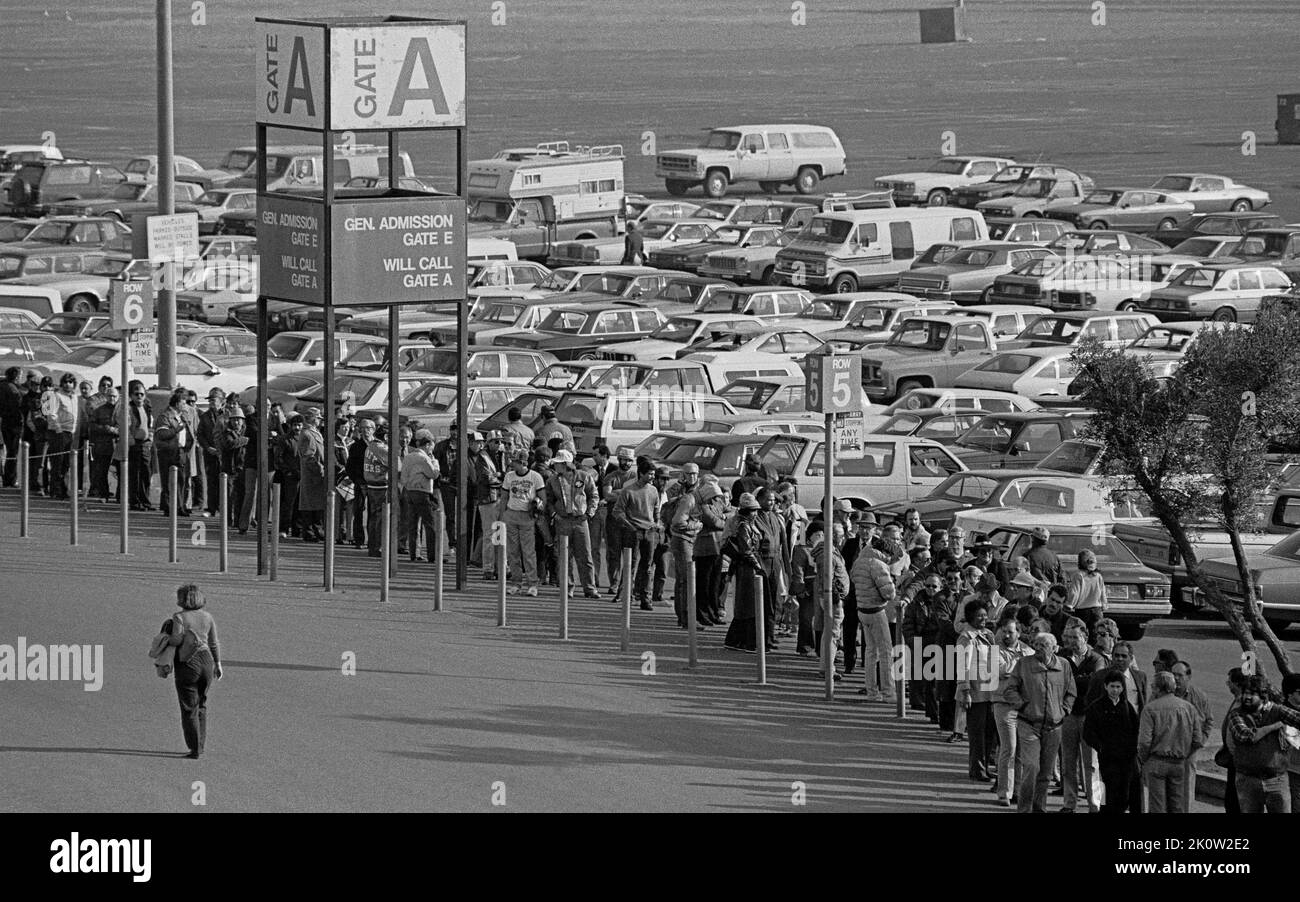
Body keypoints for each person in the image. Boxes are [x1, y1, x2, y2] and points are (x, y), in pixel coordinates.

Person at [1003, 631, 1075, 813]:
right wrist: (1022, 705)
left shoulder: (1064, 666)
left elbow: (1071, 692)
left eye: (1044, 645)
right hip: (1029, 725)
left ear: (1054, 648)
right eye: (1037, 644)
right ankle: (1024, 809)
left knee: (1046, 773)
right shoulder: (1024, 664)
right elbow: (1010, 689)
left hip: (1054, 727)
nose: (1039, 648)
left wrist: (1064, 710)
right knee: (1031, 767)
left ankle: (1039, 808)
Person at [164, 584, 222, 759]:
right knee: (201, 703)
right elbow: (214, 642)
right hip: (206, 661)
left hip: (187, 662)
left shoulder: (179, 617)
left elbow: (176, 640)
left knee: (189, 707)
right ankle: (201, 745)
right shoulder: (208, 617)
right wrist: (218, 663)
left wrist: (166, 635)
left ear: (182, 600)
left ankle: (194, 748)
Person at [1227, 674, 1300, 813]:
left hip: (1276, 780)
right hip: (1248, 780)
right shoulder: (1237, 714)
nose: (1246, 697)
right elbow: (1247, 736)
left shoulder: (1278, 711)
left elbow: (1296, 718)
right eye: (1245, 693)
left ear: (1263, 696)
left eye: (1252, 694)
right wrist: (1273, 726)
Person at [1137, 671, 1203, 813]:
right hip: (1179, 762)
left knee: (1157, 806)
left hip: (1156, 760)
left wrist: (1144, 759)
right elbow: (1198, 739)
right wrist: (1185, 753)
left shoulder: (1150, 709)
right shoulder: (1188, 708)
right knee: (1177, 805)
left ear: (1157, 688)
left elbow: (1144, 742)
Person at [1083, 668, 1142, 814]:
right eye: (1112, 686)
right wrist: (1100, 747)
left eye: (1118, 687)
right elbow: (1088, 732)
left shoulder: (1127, 707)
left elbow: (1135, 730)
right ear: (1105, 686)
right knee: (1109, 791)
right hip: (1107, 757)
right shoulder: (1096, 707)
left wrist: (1133, 749)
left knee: (1126, 792)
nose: (1115, 690)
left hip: (1126, 758)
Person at [990, 617, 1032, 806]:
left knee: (1023, 751)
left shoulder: (1028, 650)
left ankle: (1018, 791)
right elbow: (1001, 670)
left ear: (1019, 633)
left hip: (1024, 706)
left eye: (1011, 632)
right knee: (1009, 747)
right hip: (1003, 703)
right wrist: (1021, 666)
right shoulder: (994, 651)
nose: (1006, 635)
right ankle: (1004, 792)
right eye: (1004, 631)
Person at [546, 449, 600, 597]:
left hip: (580, 520)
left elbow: (593, 496)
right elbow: (549, 500)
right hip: (562, 520)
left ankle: (589, 588)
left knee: (585, 555)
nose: (555, 466)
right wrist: (554, 515)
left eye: (558, 463)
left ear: (566, 464)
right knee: (564, 556)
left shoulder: (583, 476)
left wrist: (589, 513)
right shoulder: (552, 480)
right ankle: (567, 587)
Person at [610, 457, 660, 610]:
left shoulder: (653, 490)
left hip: (650, 532)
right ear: (641, 473)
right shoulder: (629, 490)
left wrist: (656, 525)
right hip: (633, 532)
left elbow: (656, 510)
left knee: (648, 566)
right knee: (631, 565)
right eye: (650, 474)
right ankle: (626, 595)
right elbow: (617, 511)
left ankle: (645, 598)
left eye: (653, 474)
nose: (652, 477)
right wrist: (629, 526)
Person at [852, 532, 896, 702]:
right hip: (877, 611)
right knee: (886, 652)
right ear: (885, 552)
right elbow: (889, 593)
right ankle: (888, 692)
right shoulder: (879, 564)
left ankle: (872, 692)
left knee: (870, 652)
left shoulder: (859, 561)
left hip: (862, 609)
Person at [956, 600, 997, 782]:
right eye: (980, 615)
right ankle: (977, 769)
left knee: (989, 734)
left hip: (990, 691)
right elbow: (962, 666)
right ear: (970, 616)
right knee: (977, 735)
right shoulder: (966, 638)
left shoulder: (988, 635)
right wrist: (965, 691)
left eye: (985, 615)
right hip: (975, 692)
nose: (983, 618)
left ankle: (985, 766)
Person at [723, 493, 768, 652]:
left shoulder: (750, 524)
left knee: (748, 605)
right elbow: (746, 550)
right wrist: (758, 567)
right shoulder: (744, 526)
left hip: (748, 566)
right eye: (752, 510)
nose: (755, 513)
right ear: (745, 511)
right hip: (746, 568)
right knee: (748, 605)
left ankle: (739, 640)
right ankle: (744, 641)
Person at [665, 463, 706, 627]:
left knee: (684, 579)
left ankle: (685, 616)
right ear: (683, 475)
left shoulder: (700, 491)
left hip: (690, 539)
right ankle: (685, 617)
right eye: (689, 474)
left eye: (695, 474)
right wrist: (696, 526)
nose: (692, 477)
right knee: (686, 579)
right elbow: (677, 522)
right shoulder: (679, 490)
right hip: (682, 538)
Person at [1169, 659, 1212, 811]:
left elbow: (1208, 721)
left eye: (1179, 675)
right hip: (1167, 750)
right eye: (1173, 675)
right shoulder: (1164, 694)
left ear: (1188, 676)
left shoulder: (1199, 697)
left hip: (1189, 751)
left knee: (1187, 787)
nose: (1176, 679)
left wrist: (1201, 741)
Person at [502, 450, 545, 596]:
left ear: (522, 462)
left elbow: (542, 497)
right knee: (513, 552)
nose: (512, 463)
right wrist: (502, 516)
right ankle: (516, 582)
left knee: (528, 552)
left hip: (527, 517)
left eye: (514, 461)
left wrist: (537, 506)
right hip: (511, 514)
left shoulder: (535, 477)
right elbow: (504, 497)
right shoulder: (509, 476)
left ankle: (532, 583)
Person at [401, 429, 441, 562]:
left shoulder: (408, 457)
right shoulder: (424, 458)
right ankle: (433, 555)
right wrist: (434, 461)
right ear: (428, 445)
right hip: (423, 492)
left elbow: (403, 476)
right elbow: (433, 474)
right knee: (430, 524)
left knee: (413, 524)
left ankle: (414, 553)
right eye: (432, 447)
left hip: (409, 491)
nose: (432, 451)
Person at [693, 481, 730, 626]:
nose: (718, 499)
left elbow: (730, 512)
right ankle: (702, 613)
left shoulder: (717, 504)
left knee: (715, 583)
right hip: (705, 549)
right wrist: (724, 520)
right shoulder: (702, 507)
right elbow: (715, 522)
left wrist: (724, 519)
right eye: (715, 496)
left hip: (717, 547)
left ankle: (713, 612)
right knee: (704, 583)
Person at [601, 447, 636, 594]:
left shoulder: (635, 476)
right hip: (613, 519)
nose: (626, 463)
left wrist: (618, 493)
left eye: (629, 460)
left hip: (631, 520)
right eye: (624, 460)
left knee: (631, 554)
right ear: (619, 459)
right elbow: (607, 496)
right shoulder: (611, 476)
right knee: (613, 553)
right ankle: (614, 583)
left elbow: (638, 495)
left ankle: (626, 585)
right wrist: (626, 493)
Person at [42, 372, 80, 501]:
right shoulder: (56, 396)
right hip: (58, 432)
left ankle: (63, 489)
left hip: (70, 432)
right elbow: (51, 414)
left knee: (65, 464)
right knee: (57, 463)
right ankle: (55, 490)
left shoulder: (74, 397)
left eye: (70, 382)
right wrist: (58, 429)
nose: (68, 384)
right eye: (65, 382)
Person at [470, 431, 503, 578]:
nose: (499, 444)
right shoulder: (483, 457)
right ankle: (488, 568)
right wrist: (501, 479)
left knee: (500, 534)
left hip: (500, 498)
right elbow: (487, 478)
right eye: (496, 441)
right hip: (488, 499)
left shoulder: (502, 455)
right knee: (489, 534)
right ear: (488, 442)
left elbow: (505, 474)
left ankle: (500, 566)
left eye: (500, 441)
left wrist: (500, 476)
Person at [119, 380, 153, 510]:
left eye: (142, 394)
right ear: (131, 396)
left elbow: (150, 424)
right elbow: (125, 427)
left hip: (145, 445)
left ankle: (145, 501)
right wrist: (131, 441)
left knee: (146, 473)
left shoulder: (146, 407)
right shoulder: (128, 408)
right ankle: (134, 501)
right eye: (136, 394)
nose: (139, 397)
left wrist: (150, 438)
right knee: (135, 474)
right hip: (134, 445)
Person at [296, 408, 327, 542]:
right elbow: (308, 456)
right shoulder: (307, 434)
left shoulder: (314, 433)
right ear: (312, 419)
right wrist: (319, 469)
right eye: (318, 418)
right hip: (312, 475)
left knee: (316, 504)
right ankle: (309, 532)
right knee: (309, 504)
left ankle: (316, 530)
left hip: (316, 475)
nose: (319, 420)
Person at [87, 384, 120, 502]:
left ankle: (120, 496)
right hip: (103, 445)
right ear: (106, 396)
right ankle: (103, 494)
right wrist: (104, 428)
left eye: (115, 396)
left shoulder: (122, 410)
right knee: (102, 471)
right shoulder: (99, 410)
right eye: (110, 396)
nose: (112, 399)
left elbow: (126, 425)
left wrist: (115, 430)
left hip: (118, 445)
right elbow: (92, 425)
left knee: (121, 471)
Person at [273, 415, 304, 538]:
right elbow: (278, 457)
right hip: (290, 476)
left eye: (299, 425)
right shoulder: (285, 439)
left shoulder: (304, 438)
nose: (297, 428)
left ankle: (297, 528)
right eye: (295, 425)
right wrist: (287, 471)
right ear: (290, 426)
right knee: (288, 503)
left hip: (303, 475)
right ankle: (283, 528)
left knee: (300, 503)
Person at [1066, 549, 1107, 639]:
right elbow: (1103, 592)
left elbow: (1074, 592)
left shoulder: (1079, 575)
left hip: (1082, 611)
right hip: (1097, 610)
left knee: (1081, 635)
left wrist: (1069, 605)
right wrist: (1104, 605)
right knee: (1096, 635)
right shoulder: (1098, 576)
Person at [0, 366, 23, 488]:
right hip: (12, 423)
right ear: (16, 376)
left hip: (5, 422)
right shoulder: (12, 390)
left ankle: (7, 478)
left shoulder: (3, 386)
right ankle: (10, 479)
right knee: (12, 452)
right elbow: (16, 406)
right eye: (20, 376)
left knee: (7, 451)